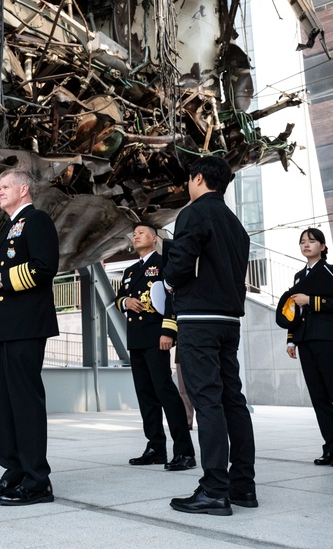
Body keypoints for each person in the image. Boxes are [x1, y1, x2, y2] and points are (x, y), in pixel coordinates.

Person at [163, 156, 255, 516]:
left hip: (198, 318)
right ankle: (242, 484)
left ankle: (214, 488)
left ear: (198, 179)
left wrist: (168, 281)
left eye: (190, 178)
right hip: (228, 320)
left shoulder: (194, 213)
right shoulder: (236, 224)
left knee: (208, 401)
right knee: (233, 399)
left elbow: (182, 260)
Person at [0, 168, 59, 506]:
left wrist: (3, 279)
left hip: (26, 327)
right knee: (5, 406)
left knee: (25, 403)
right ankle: (14, 471)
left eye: (5, 185)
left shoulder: (36, 220)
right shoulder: (8, 227)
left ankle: (38, 479)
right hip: (5, 328)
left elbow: (44, 266)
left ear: (24, 189)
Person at [116, 223, 195, 471]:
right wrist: (126, 301)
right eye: (134, 234)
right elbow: (118, 298)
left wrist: (169, 330)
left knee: (165, 391)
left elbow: (173, 297)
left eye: (141, 233)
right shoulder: (129, 271)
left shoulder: (164, 264)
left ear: (154, 238)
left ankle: (184, 451)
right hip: (136, 337)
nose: (136, 236)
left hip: (156, 335)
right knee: (145, 394)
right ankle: (155, 447)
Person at [283, 228, 333, 467]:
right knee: (319, 397)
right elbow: (294, 312)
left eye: (312, 241)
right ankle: (330, 447)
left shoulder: (332, 271)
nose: (306, 245)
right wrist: (291, 339)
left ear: (322, 246)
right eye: (302, 241)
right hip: (304, 340)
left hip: (328, 338)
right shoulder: (298, 276)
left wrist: (311, 301)